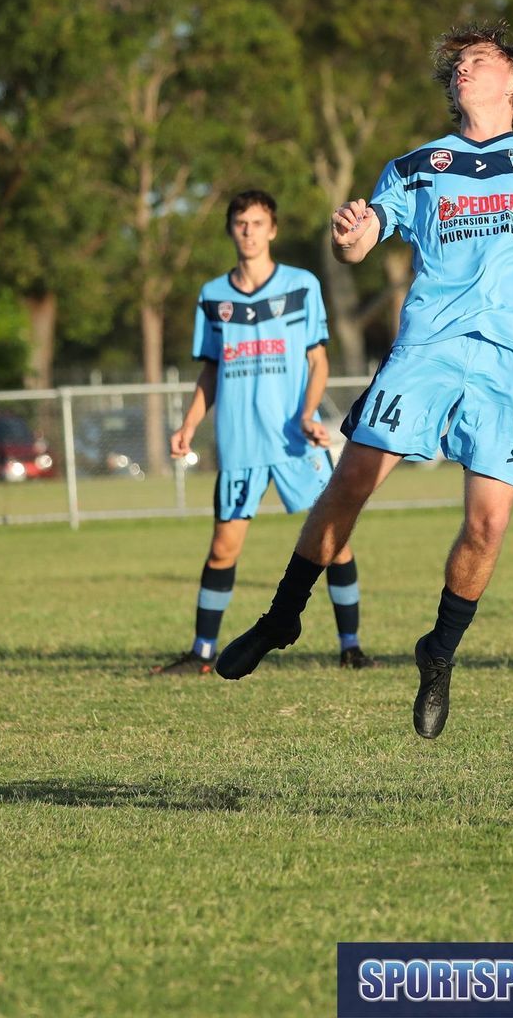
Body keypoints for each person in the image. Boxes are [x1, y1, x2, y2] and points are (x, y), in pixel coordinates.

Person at [213, 22, 513, 741]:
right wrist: (350, 233)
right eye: (456, 63)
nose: (462, 69)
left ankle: (439, 652)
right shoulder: (417, 164)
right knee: (353, 480)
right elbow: (365, 239)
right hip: (427, 348)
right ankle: (282, 616)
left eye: (477, 61)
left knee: (488, 524)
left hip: (504, 363)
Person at [158, 190, 372, 675]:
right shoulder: (214, 296)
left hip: (296, 442)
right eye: (241, 223)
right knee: (222, 548)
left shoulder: (301, 286)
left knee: (334, 541)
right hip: (240, 443)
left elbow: (318, 360)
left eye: (258, 222)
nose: (249, 231)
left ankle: (352, 647)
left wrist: (308, 413)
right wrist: (189, 424)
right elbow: (210, 370)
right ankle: (200, 653)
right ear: (231, 230)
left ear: (272, 229)